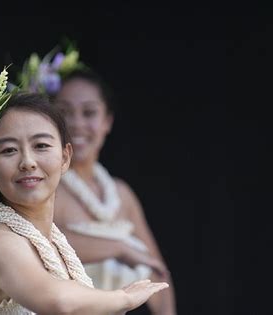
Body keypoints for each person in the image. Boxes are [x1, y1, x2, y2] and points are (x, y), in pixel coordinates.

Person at [0, 64, 168, 314]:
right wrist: (125, 297)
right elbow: (58, 301)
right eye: (9, 150)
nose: (27, 162)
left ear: (65, 158)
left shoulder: (55, 243)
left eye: (41, 146)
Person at [51, 68, 178, 315]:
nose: (76, 123)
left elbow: (158, 272)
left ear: (107, 121)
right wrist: (119, 248)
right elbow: (38, 247)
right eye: (64, 112)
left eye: (89, 112)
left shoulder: (121, 194)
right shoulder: (46, 187)